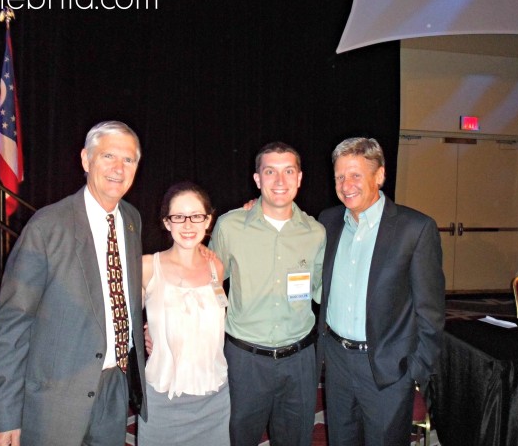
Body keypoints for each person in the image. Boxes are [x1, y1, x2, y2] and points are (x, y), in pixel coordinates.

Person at [0, 120, 148, 446]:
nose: (118, 168)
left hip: (114, 388)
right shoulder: (47, 226)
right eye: (108, 157)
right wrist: (4, 414)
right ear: (86, 160)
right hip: (55, 401)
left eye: (128, 160)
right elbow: (11, 324)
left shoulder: (131, 219)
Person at [316, 137, 445, 446]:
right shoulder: (328, 221)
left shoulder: (415, 229)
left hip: (387, 369)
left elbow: (431, 312)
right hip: (336, 363)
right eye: (339, 177)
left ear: (380, 175)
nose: (346, 184)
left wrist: (413, 372)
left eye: (356, 175)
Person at [209, 141, 326, 446]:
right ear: (257, 179)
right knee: (238, 439)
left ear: (300, 178)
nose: (280, 181)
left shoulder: (316, 232)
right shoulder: (230, 226)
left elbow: (322, 291)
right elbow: (206, 287)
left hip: (299, 361)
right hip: (245, 360)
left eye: (288, 171)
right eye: (270, 171)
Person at [139, 181, 229, 446]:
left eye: (196, 216)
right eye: (178, 217)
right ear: (167, 222)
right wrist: (148, 330)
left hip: (214, 398)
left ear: (208, 221)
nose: (188, 225)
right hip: (163, 400)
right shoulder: (146, 266)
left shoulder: (216, 268)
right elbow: (123, 322)